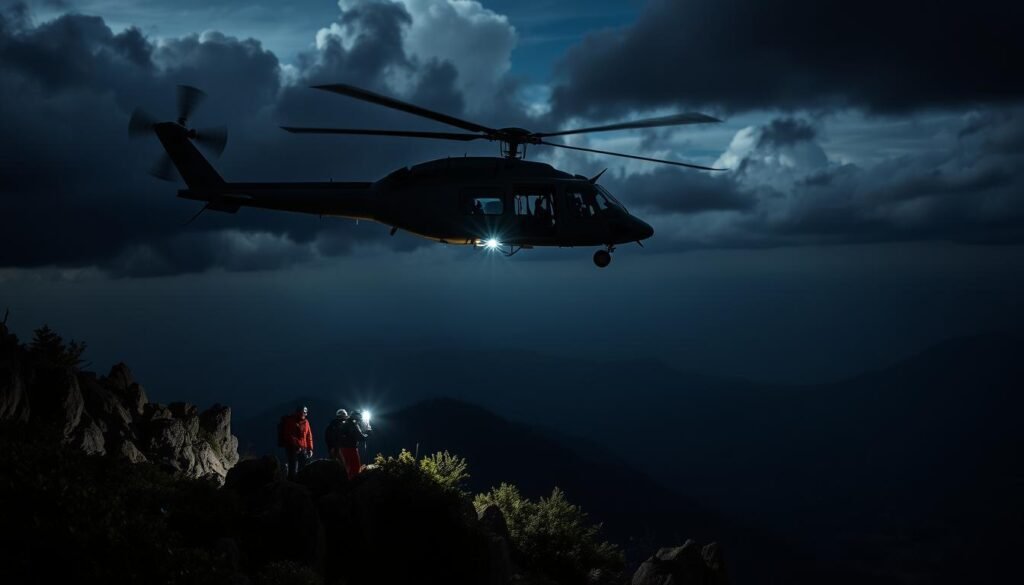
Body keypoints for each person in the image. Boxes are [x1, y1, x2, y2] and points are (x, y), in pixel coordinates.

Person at [278, 405, 314, 480]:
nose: (303, 414)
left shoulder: (306, 422)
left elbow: (308, 436)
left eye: (305, 412)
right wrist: (297, 446)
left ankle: (300, 483)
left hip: (302, 449)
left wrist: (310, 448)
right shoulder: (290, 421)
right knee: (293, 467)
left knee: (303, 467)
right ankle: (291, 484)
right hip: (292, 448)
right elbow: (288, 435)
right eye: (302, 412)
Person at [336, 409, 370, 479]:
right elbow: (360, 437)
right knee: (355, 468)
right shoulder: (352, 424)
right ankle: (353, 485)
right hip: (350, 449)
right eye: (359, 418)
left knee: (348, 468)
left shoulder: (347, 423)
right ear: (356, 417)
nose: (360, 420)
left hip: (343, 448)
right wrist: (368, 432)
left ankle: (348, 484)